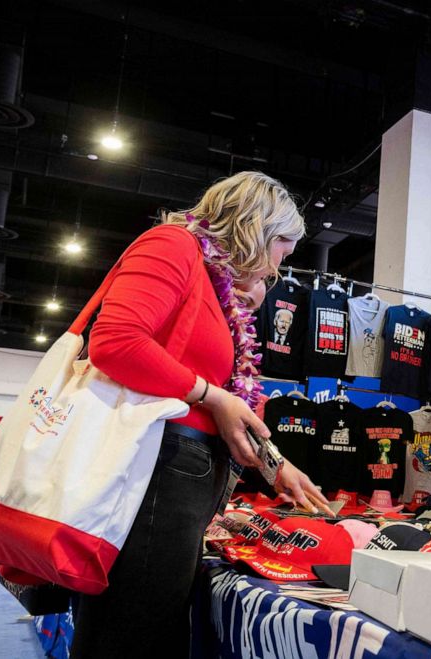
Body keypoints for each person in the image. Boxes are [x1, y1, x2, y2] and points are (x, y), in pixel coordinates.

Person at [72, 171, 333, 658]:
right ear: (257, 227)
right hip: (157, 474)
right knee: (131, 634)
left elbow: (229, 402)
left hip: (180, 483)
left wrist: (276, 464)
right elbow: (117, 342)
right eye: (283, 246)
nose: (281, 264)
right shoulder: (172, 246)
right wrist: (212, 396)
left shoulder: (218, 287)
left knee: (150, 628)